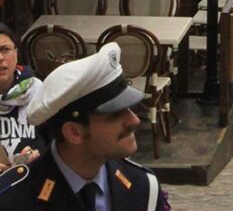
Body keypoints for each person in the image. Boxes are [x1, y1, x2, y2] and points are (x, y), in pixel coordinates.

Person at [0, 42, 167, 209]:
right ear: (74, 132)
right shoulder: (14, 199)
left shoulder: (142, 187)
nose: (135, 121)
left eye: (129, 109)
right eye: (114, 115)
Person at [0, 23, 43, 169]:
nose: (0, 57)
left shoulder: (38, 91)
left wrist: (39, 155)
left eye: (5, 50)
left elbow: (58, 145)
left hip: (33, 181)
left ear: (16, 54)